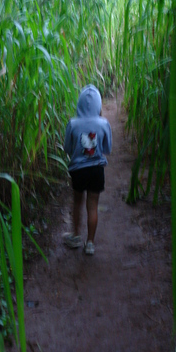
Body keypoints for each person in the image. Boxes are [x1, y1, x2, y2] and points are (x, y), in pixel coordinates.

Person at [62, 84, 112, 256]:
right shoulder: (104, 123)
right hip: (97, 171)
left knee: (77, 202)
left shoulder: (73, 123)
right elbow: (107, 148)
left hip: (78, 171)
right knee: (93, 206)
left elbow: (67, 148)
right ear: (98, 104)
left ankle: (75, 236)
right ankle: (90, 243)